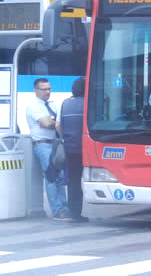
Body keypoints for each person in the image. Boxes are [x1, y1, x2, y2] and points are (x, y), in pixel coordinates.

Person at [26, 78, 70, 221]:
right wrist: (55, 123)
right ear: (36, 91)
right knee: (52, 176)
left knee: (61, 177)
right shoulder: (33, 106)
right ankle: (57, 210)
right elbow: (46, 123)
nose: (48, 92)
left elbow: (57, 123)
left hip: (56, 144)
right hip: (42, 144)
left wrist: (54, 123)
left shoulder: (52, 104)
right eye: (44, 89)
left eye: (49, 89)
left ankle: (64, 208)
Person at [60, 77, 88, 222]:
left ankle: (74, 213)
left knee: (73, 181)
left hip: (70, 148)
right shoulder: (88, 103)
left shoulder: (65, 103)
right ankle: (78, 213)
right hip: (86, 149)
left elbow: (61, 125)